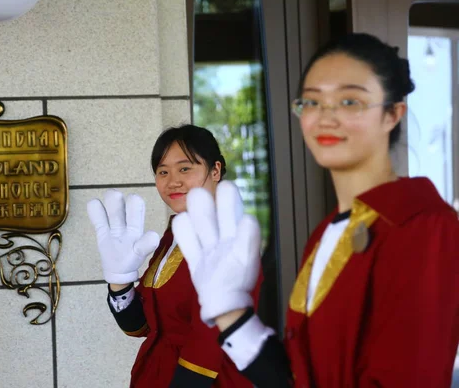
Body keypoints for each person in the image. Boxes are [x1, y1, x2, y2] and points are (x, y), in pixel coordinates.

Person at [172, 33, 459, 387]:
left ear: (392, 114)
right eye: (311, 102)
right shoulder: (327, 232)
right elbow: (302, 376)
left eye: (350, 101)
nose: (325, 117)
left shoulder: (426, 226)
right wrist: (231, 312)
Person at [87, 124, 262, 387]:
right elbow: (141, 327)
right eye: (163, 171)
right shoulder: (173, 237)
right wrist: (119, 282)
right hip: (156, 372)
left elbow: (210, 342)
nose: (173, 181)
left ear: (215, 170)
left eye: (185, 168)